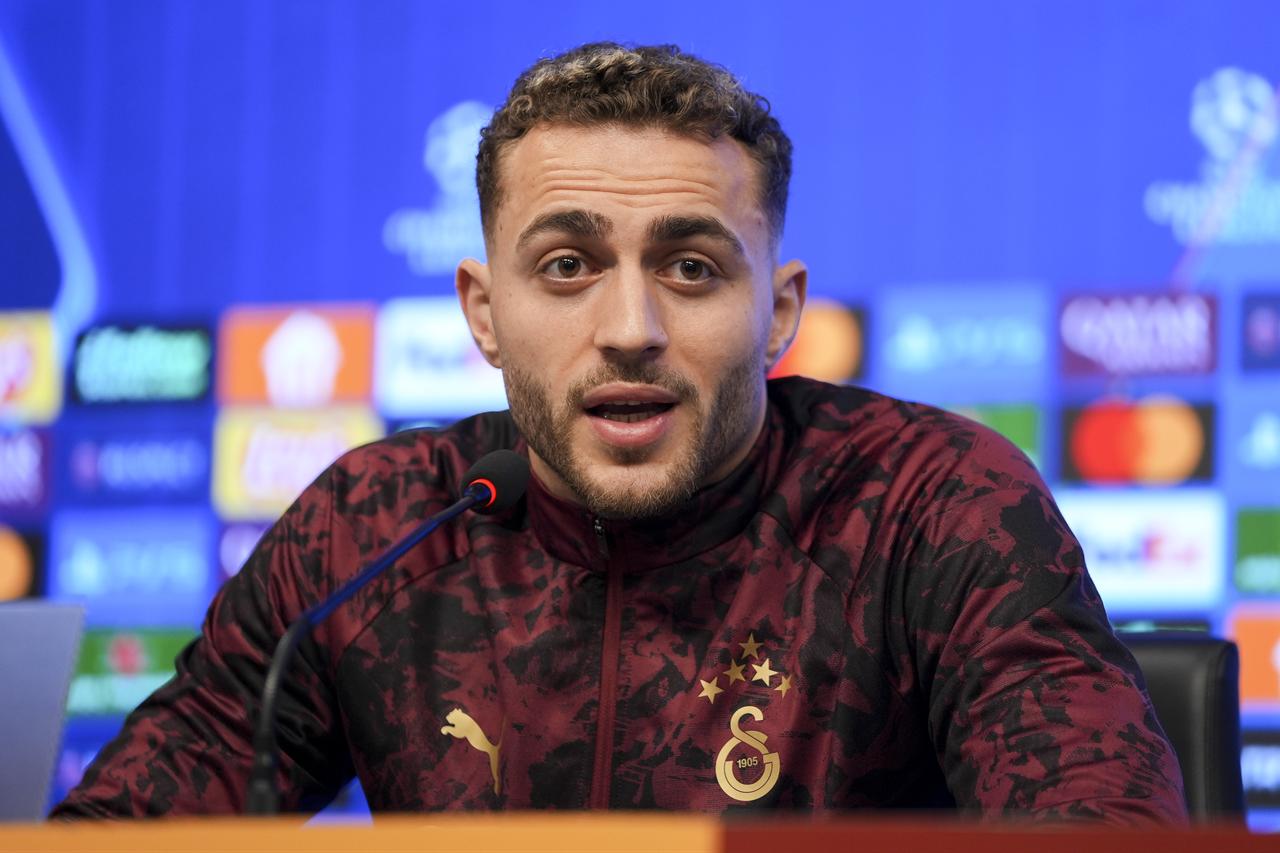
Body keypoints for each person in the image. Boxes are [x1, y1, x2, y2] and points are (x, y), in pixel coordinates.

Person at [53, 42, 1188, 823]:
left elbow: (1100, 824)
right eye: (566, 266)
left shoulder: (929, 505)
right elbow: (126, 825)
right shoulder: (374, 528)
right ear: (483, 311)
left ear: (778, 311)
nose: (631, 328)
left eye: (691, 267)